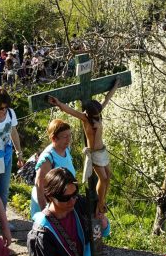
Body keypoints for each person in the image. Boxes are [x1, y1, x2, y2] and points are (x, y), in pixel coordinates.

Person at [48, 78, 119, 213]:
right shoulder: (85, 118)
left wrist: (115, 85)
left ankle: (103, 198)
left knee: (108, 176)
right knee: (103, 178)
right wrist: (58, 103)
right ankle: (100, 202)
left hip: (102, 150)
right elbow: (69, 111)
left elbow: (107, 99)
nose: (98, 115)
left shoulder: (97, 113)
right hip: (94, 153)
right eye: (96, 114)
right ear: (90, 113)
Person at [29, 119, 75, 218]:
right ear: (54, 138)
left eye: (70, 135)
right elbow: (39, 185)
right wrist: (45, 212)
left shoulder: (66, 149)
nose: (69, 139)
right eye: (65, 136)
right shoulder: (48, 158)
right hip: (50, 207)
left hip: (63, 204)